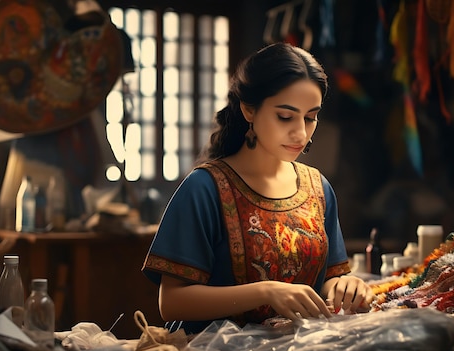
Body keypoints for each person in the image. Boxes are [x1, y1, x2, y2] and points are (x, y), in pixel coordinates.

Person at [142, 42, 373, 334]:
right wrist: (265, 292)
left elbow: (328, 280)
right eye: (285, 117)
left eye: (310, 117)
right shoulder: (204, 188)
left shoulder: (319, 188)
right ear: (249, 110)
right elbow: (172, 302)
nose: (300, 133)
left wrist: (346, 286)